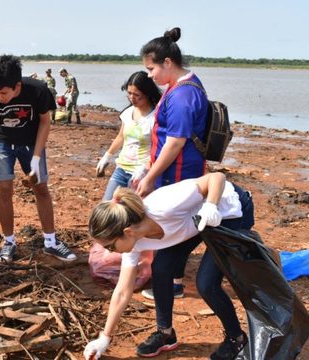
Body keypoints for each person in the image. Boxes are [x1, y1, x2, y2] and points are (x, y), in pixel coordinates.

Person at [84, 172, 253, 359]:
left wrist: (210, 206)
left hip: (231, 211)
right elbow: (123, 291)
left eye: (110, 246)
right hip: (194, 223)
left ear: (128, 232)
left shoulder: (164, 206)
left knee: (207, 284)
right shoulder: (133, 242)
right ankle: (165, 334)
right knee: (162, 269)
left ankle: (236, 338)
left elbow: (217, 177)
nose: (110, 251)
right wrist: (105, 337)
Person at [0, 55, 76, 263]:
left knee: (41, 189)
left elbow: (45, 123)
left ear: (17, 86)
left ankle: (51, 242)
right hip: (0, 144)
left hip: (31, 143)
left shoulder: (38, 90)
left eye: (3, 93)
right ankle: (9, 242)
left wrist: (36, 158)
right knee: (4, 189)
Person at [132, 27, 209, 301]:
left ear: (167, 63)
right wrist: (147, 166)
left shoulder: (182, 95)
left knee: (173, 222)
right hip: (174, 169)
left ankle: (173, 283)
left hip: (179, 172)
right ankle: (170, 277)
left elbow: (175, 142)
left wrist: (151, 177)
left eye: (151, 69)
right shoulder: (176, 87)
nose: (150, 75)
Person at [95, 71, 162, 200]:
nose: (132, 98)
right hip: (122, 168)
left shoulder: (155, 117)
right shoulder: (128, 112)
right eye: (129, 94)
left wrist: (145, 169)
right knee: (108, 206)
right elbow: (121, 137)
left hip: (141, 173)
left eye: (137, 95)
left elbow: (158, 148)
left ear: (147, 94)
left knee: (132, 212)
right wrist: (107, 157)